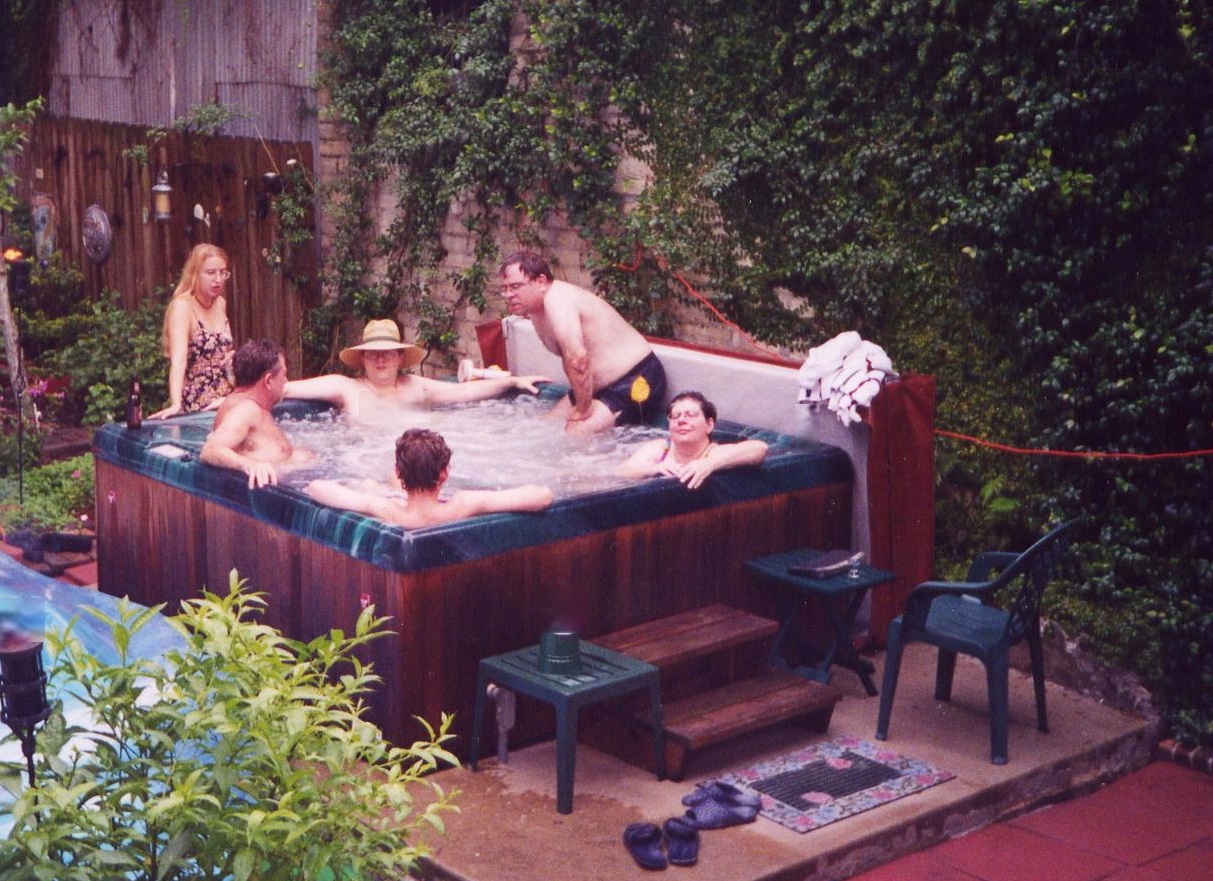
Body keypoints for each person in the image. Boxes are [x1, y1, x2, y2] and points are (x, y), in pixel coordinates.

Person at [499, 251, 667, 436]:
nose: (508, 295)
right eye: (505, 288)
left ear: (540, 281)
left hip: (636, 379)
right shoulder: (535, 309)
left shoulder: (559, 301)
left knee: (575, 434)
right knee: (543, 425)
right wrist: (582, 404)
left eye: (515, 287)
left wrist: (583, 409)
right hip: (594, 387)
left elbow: (577, 358)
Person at [282, 319, 551, 422]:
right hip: (369, 463)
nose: (380, 360)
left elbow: (465, 392)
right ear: (362, 358)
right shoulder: (345, 388)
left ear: (400, 357)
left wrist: (513, 382)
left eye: (387, 353)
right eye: (373, 354)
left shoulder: (417, 386)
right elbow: (285, 388)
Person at [305, 428, 554, 528]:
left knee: (370, 485)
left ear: (399, 472)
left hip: (405, 508)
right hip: (434, 507)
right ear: (445, 473)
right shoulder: (464, 504)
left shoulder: (387, 510)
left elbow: (316, 488)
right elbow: (542, 496)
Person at [200, 339, 313, 489]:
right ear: (268, 381)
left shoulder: (248, 405)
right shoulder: (245, 410)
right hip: (273, 496)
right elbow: (210, 449)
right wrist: (250, 464)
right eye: (283, 375)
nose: (286, 381)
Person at [149, 244, 235, 419]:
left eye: (222, 272)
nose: (218, 279)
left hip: (226, 399)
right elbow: (178, 360)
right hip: (198, 405)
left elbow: (222, 351)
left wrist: (233, 359)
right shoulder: (183, 307)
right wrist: (175, 404)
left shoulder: (220, 303)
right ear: (195, 274)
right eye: (211, 273)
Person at [618, 391, 768, 490]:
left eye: (691, 415)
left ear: (709, 425)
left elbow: (760, 448)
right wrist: (654, 469)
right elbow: (621, 473)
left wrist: (708, 464)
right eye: (675, 416)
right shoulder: (659, 449)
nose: (682, 420)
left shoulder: (714, 453)